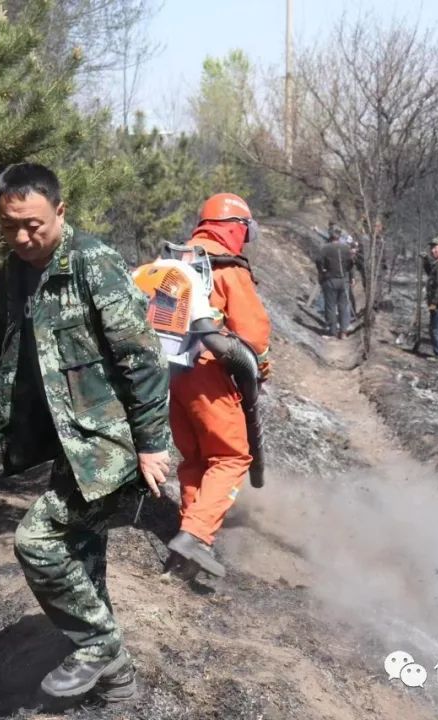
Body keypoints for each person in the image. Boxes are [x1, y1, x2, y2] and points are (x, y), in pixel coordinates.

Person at [0, 163, 171, 701]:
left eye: (33, 225)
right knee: (82, 555)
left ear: (60, 211)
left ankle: (99, 647)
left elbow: (142, 358)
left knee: (39, 541)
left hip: (110, 443)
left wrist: (151, 445)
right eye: (9, 226)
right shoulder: (13, 273)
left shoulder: (93, 263)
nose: (21, 237)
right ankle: (118, 684)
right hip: (68, 441)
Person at [164, 193, 271, 578]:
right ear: (236, 228)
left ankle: (186, 545)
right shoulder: (227, 268)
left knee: (196, 460)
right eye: (247, 231)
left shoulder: (178, 261)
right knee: (230, 458)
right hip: (209, 374)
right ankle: (195, 537)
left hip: (171, 375)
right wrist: (260, 368)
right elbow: (254, 336)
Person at [316, 226, 355, 338]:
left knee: (330, 305)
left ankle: (332, 331)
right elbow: (351, 263)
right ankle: (343, 332)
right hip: (344, 280)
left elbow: (318, 260)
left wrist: (321, 271)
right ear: (340, 236)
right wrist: (352, 277)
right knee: (344, 306)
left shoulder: (325, 248)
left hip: (330, 279)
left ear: (330, 235)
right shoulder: (346, 248)